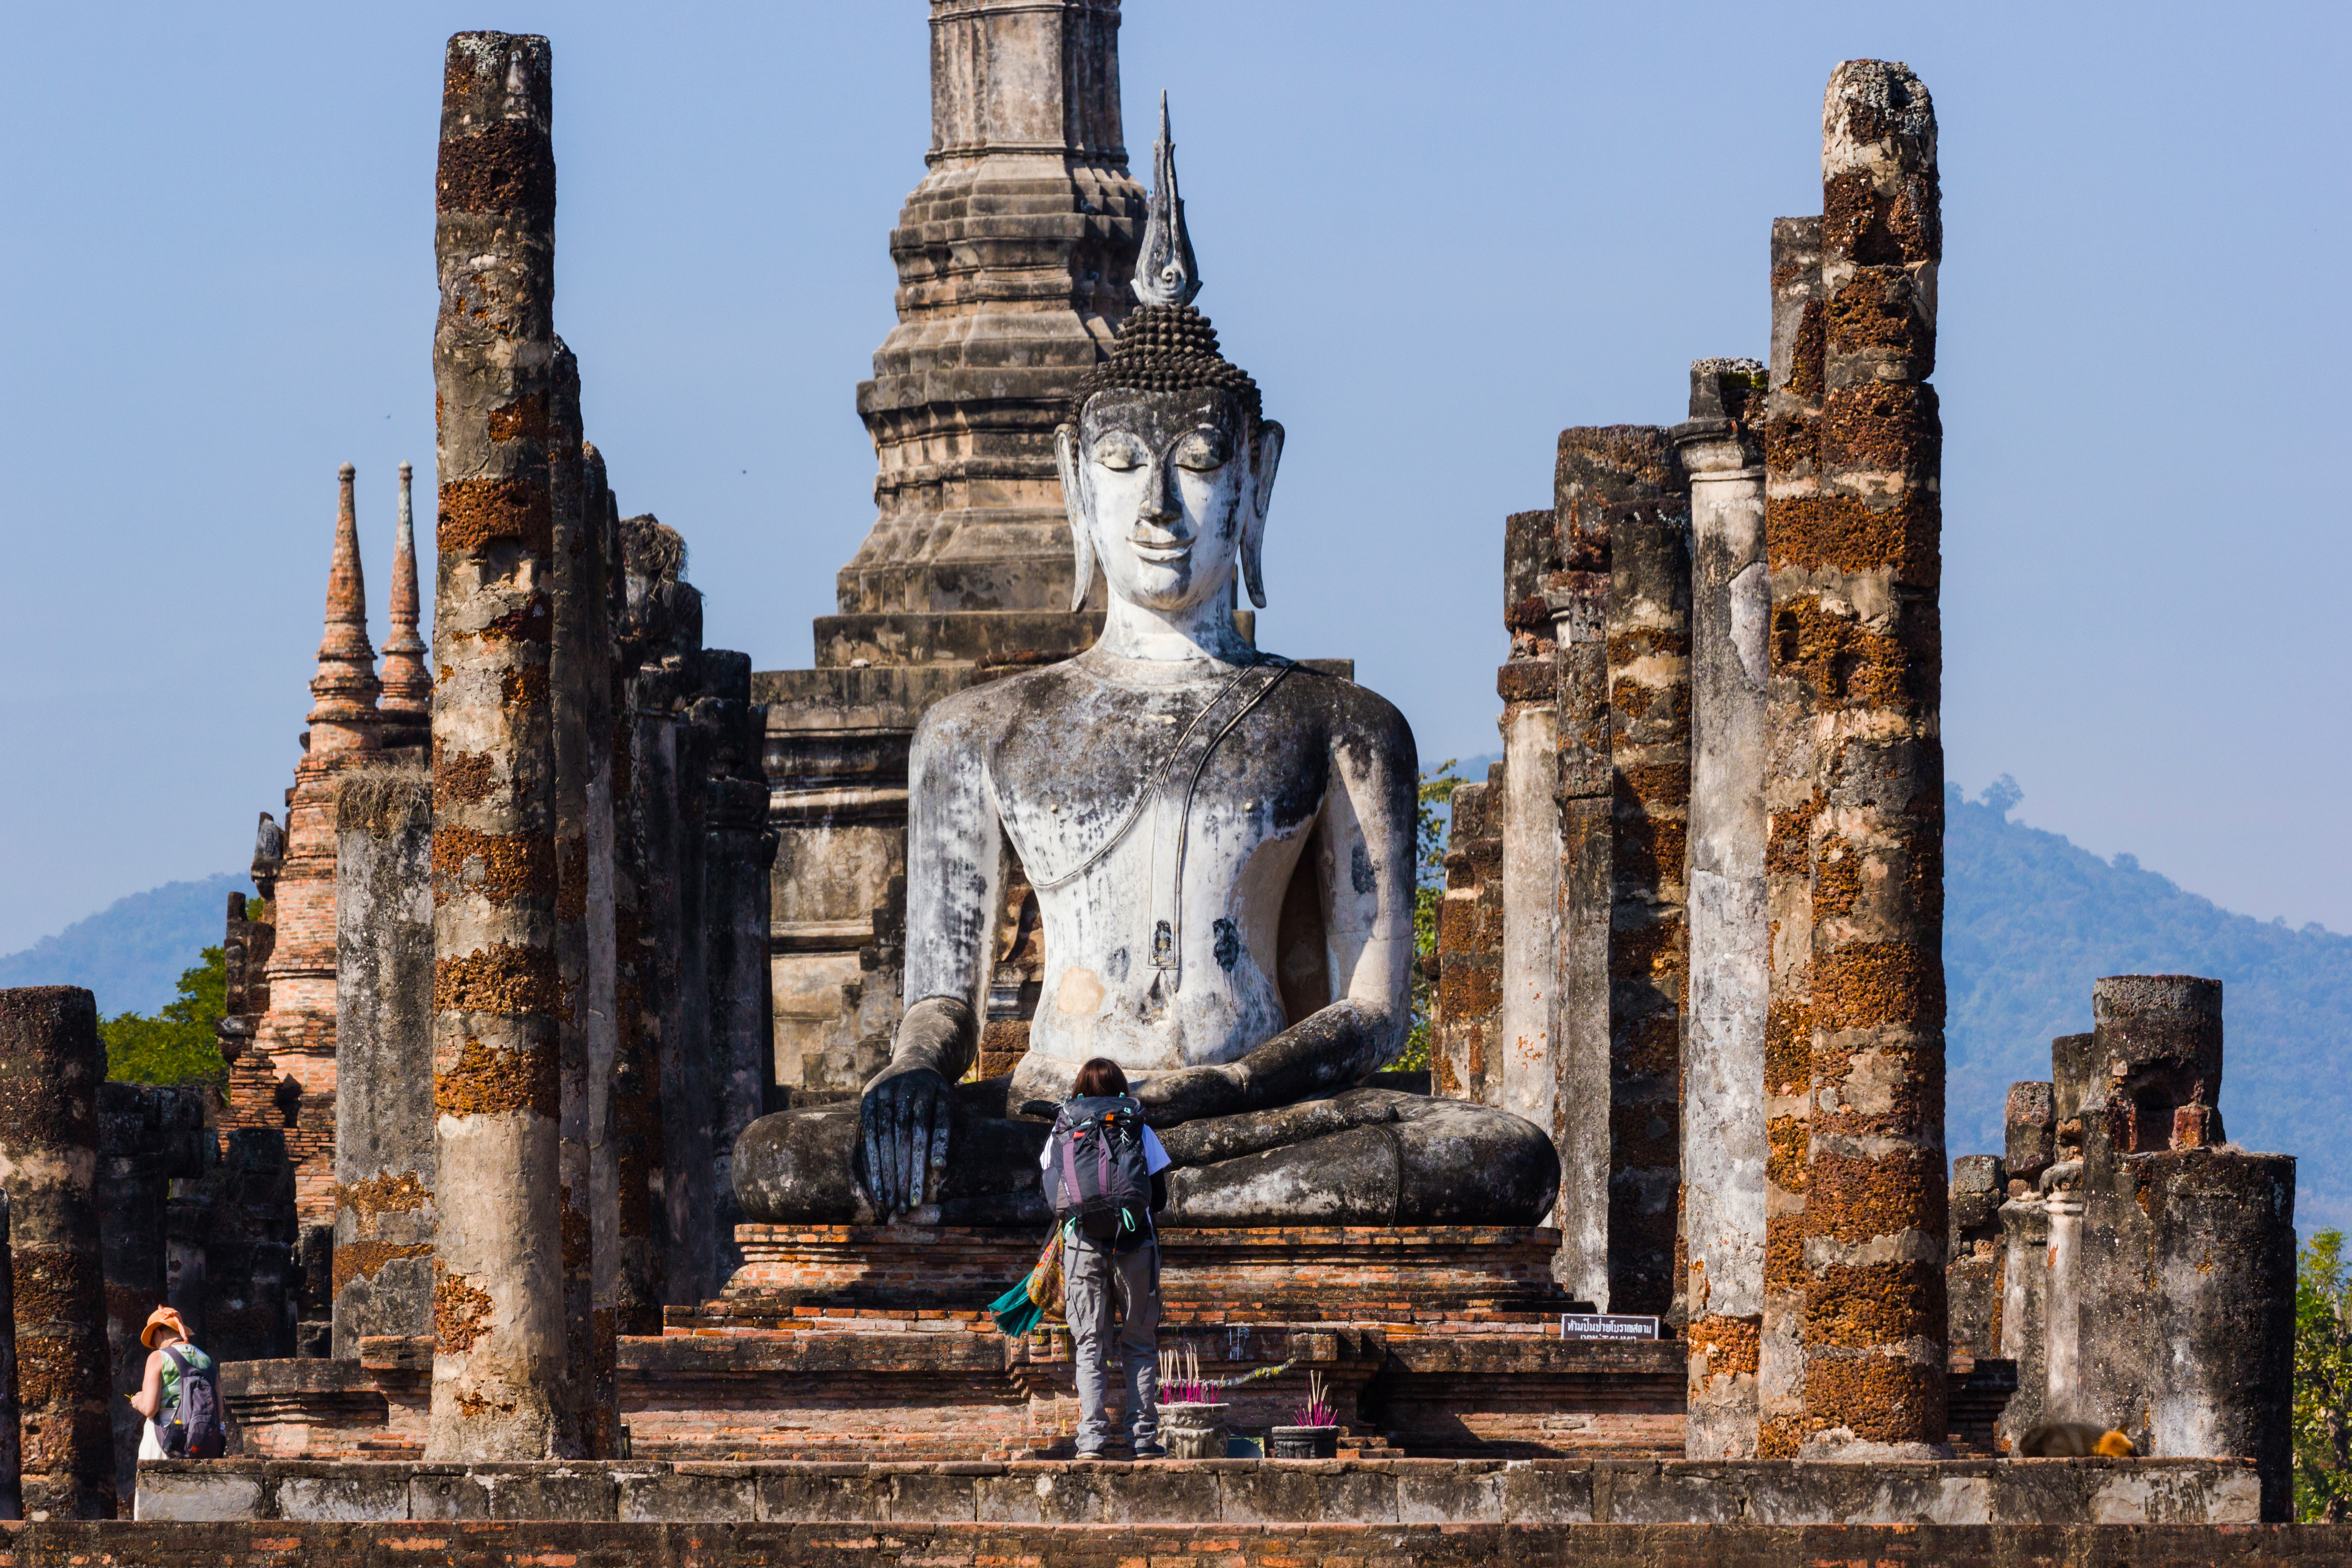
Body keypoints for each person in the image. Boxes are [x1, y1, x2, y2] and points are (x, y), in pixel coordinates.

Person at [1045, 1056, 1172, 1458]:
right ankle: (1143, 1440)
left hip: (1083, 1245)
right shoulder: (1137, 1125)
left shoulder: (1062, 1130)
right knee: (1138, 1342)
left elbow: (1054, 1197)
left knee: (1090, 1345)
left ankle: (1091, 1442)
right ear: (1122, 1089)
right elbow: (1161, 1198)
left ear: (1078, 1087)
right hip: (1135, 1246)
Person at [127, 1307, 222, 1464]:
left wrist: (138, 1402)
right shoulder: (206, 1360)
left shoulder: (159, 1357)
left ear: (159, 1332)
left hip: (165, 1439)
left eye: (153, 1341)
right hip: (200, 1441)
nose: (155, 1345)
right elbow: (219, 1410)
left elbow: (150, 1409)